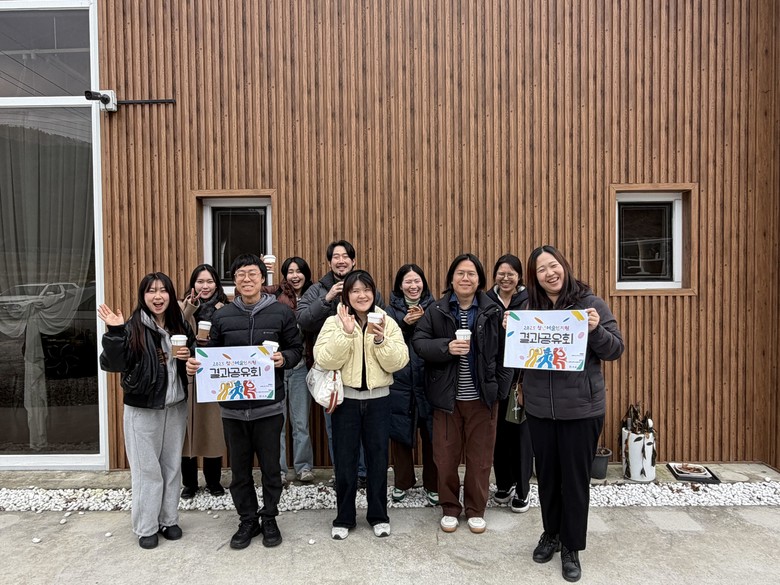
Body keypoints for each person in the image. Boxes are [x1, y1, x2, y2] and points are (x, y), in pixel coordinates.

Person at [520, 245, 623, 583]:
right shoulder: (528, 309)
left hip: (581, 409)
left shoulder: (590, 304)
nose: (549, 273)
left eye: (553, 266)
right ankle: (551, 533)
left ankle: (571, 546)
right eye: (541, 270)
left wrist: (596, 329)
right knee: (547, 478)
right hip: (539, 409)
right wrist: (511, 329)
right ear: (534, 278)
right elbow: (517, 355)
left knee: (575, 482)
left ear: (564, 266)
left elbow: (615, 349)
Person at [186, 254, 303, 550]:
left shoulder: (281, 312)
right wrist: (196, 364)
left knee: (271, 469)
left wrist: (284, 358)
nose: (247, 279)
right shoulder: (222, 316)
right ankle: (247, 519)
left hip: (269, 407)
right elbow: (211, 355)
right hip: (233, 410)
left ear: (263, 278)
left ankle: (270, 516)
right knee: (239, 471)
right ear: (234, 281)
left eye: (252, 274)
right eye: (240, 274)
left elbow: (296, 348)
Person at [412, 253, 511, 535]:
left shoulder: (493, 311)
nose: (465, 278)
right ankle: (450, 508)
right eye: (460, 273)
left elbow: (506, 354)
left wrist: (499, 390)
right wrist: (446, 347)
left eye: (471, 274)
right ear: (451, 279)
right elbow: (419, 342)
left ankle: (476, 509)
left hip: (483, 400)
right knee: (445, 458)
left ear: (479, 280)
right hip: (447, 401)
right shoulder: (437, 310)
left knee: (481, 459)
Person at [98, 272, 194, 549]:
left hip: (175, 406)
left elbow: (193, 358)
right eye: (151, 291)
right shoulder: (132, 327)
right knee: (147, 470)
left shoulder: (179, 325)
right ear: (143, 296)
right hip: (143, 408)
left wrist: (190, 359)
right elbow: (112, 364)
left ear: (170, 295)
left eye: (163, 290)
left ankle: (168, 519)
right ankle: (146, 526)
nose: (158, 296)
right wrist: (115, 332)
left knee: (172, 467)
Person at [313, 270, 408, 540]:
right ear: (346, 295)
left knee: (378, 460)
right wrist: (345, 334)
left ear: (373, 292)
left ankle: (378, 516)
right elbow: (324, 359)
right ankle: (344, 517)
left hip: (379, 401)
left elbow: (399, 361)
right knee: (345, 461)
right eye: (355, 290)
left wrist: (380, 340)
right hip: (347, 402)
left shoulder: (387, 321)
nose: (361, 295)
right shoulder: (334, 321)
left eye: (366, 289)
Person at [296, 240, 380, 485]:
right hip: (331, 369)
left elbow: (382, 317)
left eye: (345, 256)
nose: (341, 261)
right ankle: (343, 474)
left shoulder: (366, 287)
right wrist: (327, 298)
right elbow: (303, 320)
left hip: (363, 368)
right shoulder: (317, 289)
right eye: (336, 257)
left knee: (365, 425)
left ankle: (363, 473)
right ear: (330, 262)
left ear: (353, 261)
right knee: (335, 426)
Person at [385, 264, 438, 505]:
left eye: (417, 281)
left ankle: (433, 484)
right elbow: (385, 343)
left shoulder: (435, 308)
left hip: (428, 379)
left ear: (423, 283)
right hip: (400, 380)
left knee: (432, 435)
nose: (413, 286)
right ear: (400, 285)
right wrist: (405, 324)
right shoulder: (389, 312)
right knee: (400, 433)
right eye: (408, 281)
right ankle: (402, 482)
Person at [486, 254, 533, 513]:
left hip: (521, 379)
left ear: (519, 276)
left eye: (511, 274)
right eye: (501, 274)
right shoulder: (486, 300)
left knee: (522, 436)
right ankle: (504, 483)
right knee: (499, 435)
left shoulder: (530, 301)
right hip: (494, 378)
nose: (505, 278)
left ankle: (523, 489)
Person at [179, 264, 228, 498]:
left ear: (216, 284)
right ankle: (189, 482)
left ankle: (213, 481)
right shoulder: (181, 307)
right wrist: (190, 305)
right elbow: (174, 326)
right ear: (193, 284)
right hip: (186, 374)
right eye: (200, 281)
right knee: (186, 430)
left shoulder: (225, 307)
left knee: (212, 428)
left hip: (213, 375)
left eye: (209, 281)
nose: (204, 286)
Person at [268, 256, 316, 483]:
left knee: (301, 422)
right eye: (290, 271)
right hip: (276, 366)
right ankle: (278, 469)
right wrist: (265, 272)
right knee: (277, 422)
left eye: (299, 271)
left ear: (306, 274)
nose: (295, 276)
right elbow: (245, 293)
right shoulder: (276, 294)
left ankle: (303, 467)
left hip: (301, 366)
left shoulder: (313, 295)